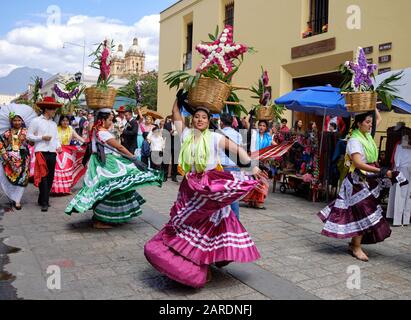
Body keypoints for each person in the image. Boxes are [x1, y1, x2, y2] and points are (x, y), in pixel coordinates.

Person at [144, 101, 263, 288]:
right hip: (190, 186)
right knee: (186, 223)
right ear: (193, 119)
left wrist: (252, 166)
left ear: (209, 121)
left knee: (208, 227)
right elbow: (175, 113)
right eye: (197, 117)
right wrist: (178, 99)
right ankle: (187, 259)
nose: (200, 120)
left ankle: (204, 262)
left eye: (204, 118)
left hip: (209, 187)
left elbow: (236, 150)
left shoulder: (216, 137)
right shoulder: (186, 134)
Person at [318, 110, 407, 262]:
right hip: (357, 181)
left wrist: (373, 102)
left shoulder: (367, 135)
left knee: (362, 211)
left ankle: (354, 244)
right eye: (367, 122)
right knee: (363, 212)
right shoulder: (355, 140)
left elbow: (377, 117)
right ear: (359, 124)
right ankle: (356, 247)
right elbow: (358, 163)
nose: (371, 124)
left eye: (370, 122)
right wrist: (382, 171)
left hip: (367, 179)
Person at [65, 110, 163, 229]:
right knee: (110, 189)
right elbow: (119, 147)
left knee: (108, 189)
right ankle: (100, 220)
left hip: (100, 161)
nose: (111, 122)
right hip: (107, 163)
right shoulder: (102, 132)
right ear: (102, 120)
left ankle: (105, 217)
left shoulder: (96, 130)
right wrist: (132, 157)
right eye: (110, 120)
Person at [27, 97, 62, 212]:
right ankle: (45, 202)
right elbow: (29, 136)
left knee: (50, 176)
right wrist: (41, 137)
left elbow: (56, 138)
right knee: (43, 176)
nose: (54, 112)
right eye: (53, 110)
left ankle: (41, 198)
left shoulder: (53, 124)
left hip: (52, 152)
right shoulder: (36, 121)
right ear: (47, 109)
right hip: (40, 151)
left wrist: (58, 146)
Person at [0, 114, 30, 210]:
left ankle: (17, 200)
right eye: (15, 120)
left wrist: (29, 140)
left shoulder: (26, 132)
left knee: (22, 179)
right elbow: (1, 145)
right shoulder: (7, 133)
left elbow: (31, 143)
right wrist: (6, 157)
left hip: (23, 159)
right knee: (9, 178)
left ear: (22, 121)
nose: (17, 122)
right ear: (11, 122)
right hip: (9, 160)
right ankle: (12, 196)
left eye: (19, 120)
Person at [242, 118, 273, 209]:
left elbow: (273, 145)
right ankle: (252, 202)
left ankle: (258, 201)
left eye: (264, 126)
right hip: (254, 160)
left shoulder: (268, 137)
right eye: (260, 125)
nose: (261, 127)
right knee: (254, 181)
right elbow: (247, 123)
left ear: (266, 127)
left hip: (264, 161)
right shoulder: (254, 134)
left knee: (262, 181)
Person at [51, 115, 86, 195]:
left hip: (68, 152)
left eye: (67, 121)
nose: (65, 122)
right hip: (57, 151)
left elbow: (78, 137)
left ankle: (66, 189)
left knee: (68, 170)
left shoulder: (70, 129)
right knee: (57, 170)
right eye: (63, 120)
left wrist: (86, 143)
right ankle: (55, 189)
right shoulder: (56, 129)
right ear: (60, 121)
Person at [219, 113, 243, 219]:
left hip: (223, 167)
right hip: (235, 167)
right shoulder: (238, 134)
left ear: (222, 122)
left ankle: (223, 222)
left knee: (222, 196)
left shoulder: (218, 133)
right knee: (233, 197)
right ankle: (235, 221)